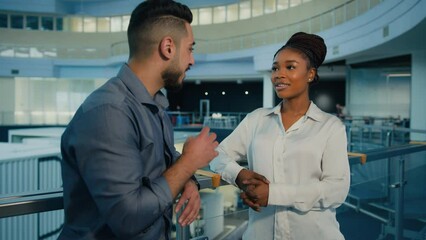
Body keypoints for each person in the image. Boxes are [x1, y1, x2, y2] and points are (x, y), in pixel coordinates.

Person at [59, 1, 219, 239]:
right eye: (190, 49)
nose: (192, 60)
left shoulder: (154, 106)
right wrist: (189, 162)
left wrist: (189, 179)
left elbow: (162, 164)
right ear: (168, 47)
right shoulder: (108, 113)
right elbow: (128, 218)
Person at [210, 32, 350, 239]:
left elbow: (336, 190)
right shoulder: (256, 120)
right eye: (275, 68)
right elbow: (216, 154)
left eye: (290, 67)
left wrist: (273, 194)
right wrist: (239, 175)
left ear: (310, 74)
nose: (278, 74)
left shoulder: (330, 126)